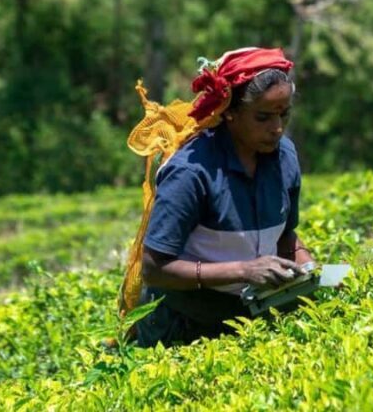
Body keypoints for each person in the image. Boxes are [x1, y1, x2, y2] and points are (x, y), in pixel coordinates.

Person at [134, 47, 314, 347]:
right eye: (263, 117)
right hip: (183, 327)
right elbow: (154, 268)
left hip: (250, 320)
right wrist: (244, 270)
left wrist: (307, 268)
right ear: (229, 112)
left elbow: (286, 235)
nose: (277, 128)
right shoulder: (192, 171)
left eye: (284, 114)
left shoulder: (285, 158)